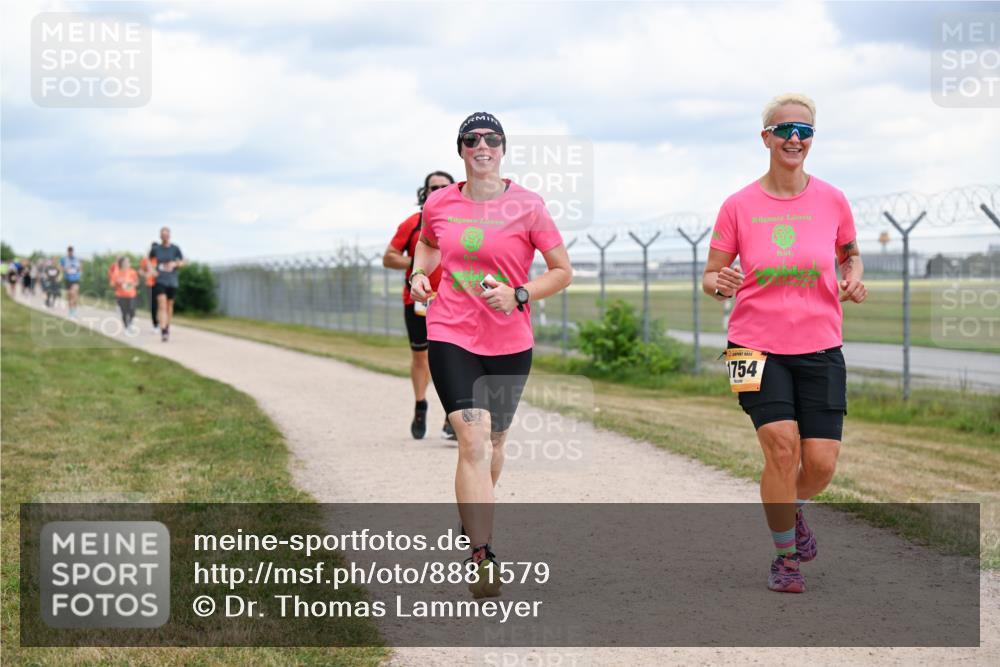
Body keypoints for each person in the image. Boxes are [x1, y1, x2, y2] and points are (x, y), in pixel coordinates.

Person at [703, 93, 866, 594]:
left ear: (812, 139)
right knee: (780, 448)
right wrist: (720, 282)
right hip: (750, 347)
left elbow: (851, 255)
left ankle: (787, 508)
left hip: (820, 345)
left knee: (819, 464)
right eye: (784, 130)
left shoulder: (833, 200)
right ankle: (784, 558)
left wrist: (853, 277)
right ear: (766, 138)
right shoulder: (738, 205)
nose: (794, 138)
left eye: (804, 130)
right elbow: (710, 275)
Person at [410, 112, 572, 598]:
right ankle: (481, 553)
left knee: (495, 441)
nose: (482, 146)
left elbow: (561, 270)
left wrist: (521, 294)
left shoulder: (529, 206)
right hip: (450, 331)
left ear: (503, 148)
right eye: (472, 139)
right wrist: (420, 276)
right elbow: (426, 245)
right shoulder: (440, 203)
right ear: (460, 149)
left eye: (492, 139)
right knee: (472, 438)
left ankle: (475, 515)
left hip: (509, 340)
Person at [383, 170, 456, 441]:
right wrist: (417, 262)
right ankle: (420, 404)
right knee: (421, 357)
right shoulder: (413, 224)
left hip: (453, 299)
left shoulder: (463, 223)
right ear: (424, 193)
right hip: (417, 301)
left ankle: (452, 415)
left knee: (452, 358)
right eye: (432, 187)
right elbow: (389, 257)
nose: (437, 191)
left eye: (443, 187)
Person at [150, 227, 184, 342]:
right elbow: (149, 262)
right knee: (162, 304)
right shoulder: (156, 249)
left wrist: (175, 264)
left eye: (166, 235)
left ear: (169, 236)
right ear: (160, 236)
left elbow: (183, 261)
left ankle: (167, 326)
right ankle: (163, 329)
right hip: (160, 280)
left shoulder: (175, 249)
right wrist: (152, 270)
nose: (165, 237)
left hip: (172, 281)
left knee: (169, 305)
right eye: (162, 235)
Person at [111, 256, 139, 332]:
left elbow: (137, 282)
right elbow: (112, 284)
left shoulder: (132, 272)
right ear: (122, 263)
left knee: (132, 310)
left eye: (129, 262)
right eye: (126, 262)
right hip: (121, 295)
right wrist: (118, 282)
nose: (128, 263)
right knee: (124, 312)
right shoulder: (117, 273)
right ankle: (126, 326)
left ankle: (131, 323)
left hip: (131, 294)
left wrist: (132, 284)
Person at [139, 245, 159, 332]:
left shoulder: (160, 260)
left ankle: (162, 324)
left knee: (161, 306)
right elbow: (140, 271)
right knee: (153, 306)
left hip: (161, 284)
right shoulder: (146, 260)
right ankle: (155, 325)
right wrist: (145, 274)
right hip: (150, 285)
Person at [60, 246, 82, 318]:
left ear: (73, 251)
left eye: (71, 251)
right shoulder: (64, 259)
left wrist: (78, 269)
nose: (70, 252)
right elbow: (60, 267)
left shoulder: (76, 259)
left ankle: (74, 312)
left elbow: (80, 268)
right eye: (69, 251)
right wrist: (65, 269)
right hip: (68, 279)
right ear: (67, 252)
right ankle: (71, 312)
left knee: (74, 295)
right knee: (70, 296)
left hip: (76, 279)